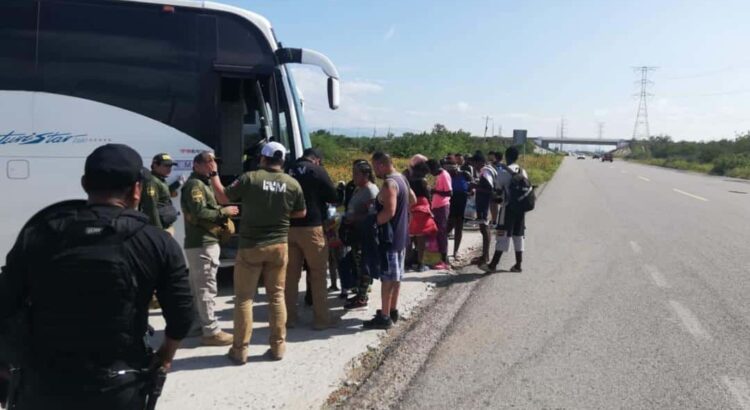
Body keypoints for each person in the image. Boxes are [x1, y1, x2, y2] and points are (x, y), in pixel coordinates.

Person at [0, 143, 193, 409]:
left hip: (42, 384)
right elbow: (182, 314)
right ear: (137, 190)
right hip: (118, 386)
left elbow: (6, 302)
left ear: (84, 183)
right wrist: (165, 355)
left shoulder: (41, 232)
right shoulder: (156, 242)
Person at [210, 142, 306, 364]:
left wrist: (214, 174)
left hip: (251, 246)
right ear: (282, 160)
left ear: (263, 158)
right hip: (280, 247)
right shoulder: (292, 183)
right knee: (276, 296)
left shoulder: (250, 178)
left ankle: (240, 350)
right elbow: (301, 212)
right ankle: (278, 347)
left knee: (244, 299)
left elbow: (223, 198)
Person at [181, 151, 238, 346]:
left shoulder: (202, 183)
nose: (213, 166)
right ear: (196, 165)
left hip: (204, 242)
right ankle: (211, 331)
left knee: (198, 288)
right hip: (202, 243)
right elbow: (199, 211)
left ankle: (197, 324)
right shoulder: (195, 185)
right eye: (209, 162)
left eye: (215, 162)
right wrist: (225, 211)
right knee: (206, 288)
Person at [285, 148, 338, 330]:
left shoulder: (288, 169)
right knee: (318, 274)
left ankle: (289, 319)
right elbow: (333, 196)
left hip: (289, 227)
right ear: (316, 159)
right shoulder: (317, 171)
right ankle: (321, 320)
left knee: (290, 276)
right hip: (312, 227)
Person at [363, 152, 415, 330]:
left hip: (389, 238)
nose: (374, 171)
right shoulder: (402, 178)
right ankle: (392, 310)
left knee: (387, 278)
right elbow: (413, 200)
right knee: (397, 276)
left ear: (382, 165)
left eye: (375, 167)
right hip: (401, 235)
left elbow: (389, 212)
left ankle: (384, 317)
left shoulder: (389, 183)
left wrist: (371, 222)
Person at [481, 146, 530, 273]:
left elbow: (497, 189)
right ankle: (518, 265)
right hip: (521, 209)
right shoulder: (522, 171)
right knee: (518, 235)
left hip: (507, 208)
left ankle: (492, 265)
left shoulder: (503, 172)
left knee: (502, 235)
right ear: (517, 157)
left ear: (506, 157)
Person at [342, 160, 380, 310]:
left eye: (356, 174)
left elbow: (372, 215)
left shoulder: (371, 190)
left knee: (363, 266)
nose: (353, 176)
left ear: (366, 175)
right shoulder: (359, 188)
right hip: (355, 233)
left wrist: (354, 218)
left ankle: (362, 296)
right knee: (357, 264)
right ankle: (359, 293)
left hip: (364, 234)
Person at [140, 153, 180, 235]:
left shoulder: (160, 179)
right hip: (159, 228)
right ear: (155, 165)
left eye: (170, 166)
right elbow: (151, 207)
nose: (169, 169)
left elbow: (164, 194)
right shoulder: (151, 181)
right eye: (166, 166)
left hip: (165, 225)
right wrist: (158, 230)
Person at [469, 152, 497, 265]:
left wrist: (474, 186)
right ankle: (485, 255)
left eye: (475, 163)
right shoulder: (488, 170)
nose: (473, 165)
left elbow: (490, 190)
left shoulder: (485, 171)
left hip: (484, 205)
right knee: (485, 229)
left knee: (484, 229)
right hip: (484, 204)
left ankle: (485, 257)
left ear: (480, 162)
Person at [406, 161, 434, 272]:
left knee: (410, 237)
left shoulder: (408, 181)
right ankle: (421, 264)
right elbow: (428, 195)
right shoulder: (423, 181)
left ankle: (407, 262)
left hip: (411, 208)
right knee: (421, 238)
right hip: (422, 209)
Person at [427, 159, 452, 270]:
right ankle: (437, 259)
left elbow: (449, 192)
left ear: (435, 168)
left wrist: (434, 192)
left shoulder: (444, 175)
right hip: (436, 206)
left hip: (442, 206)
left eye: (430, 170)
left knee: (442, 233)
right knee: (437, 233)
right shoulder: (438, 175)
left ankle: (443, 259)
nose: (430, 173)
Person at [446, 158, 473, 260]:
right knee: (449, 227)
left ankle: (455, 252)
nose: (448, 172)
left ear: (455, 168)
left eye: (450, 170)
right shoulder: (446, 176)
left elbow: (472, 184)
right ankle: (443, 250)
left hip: (463, 202)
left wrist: (471, 191)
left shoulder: (465, 174)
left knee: (459, 227)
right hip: (450, 202)